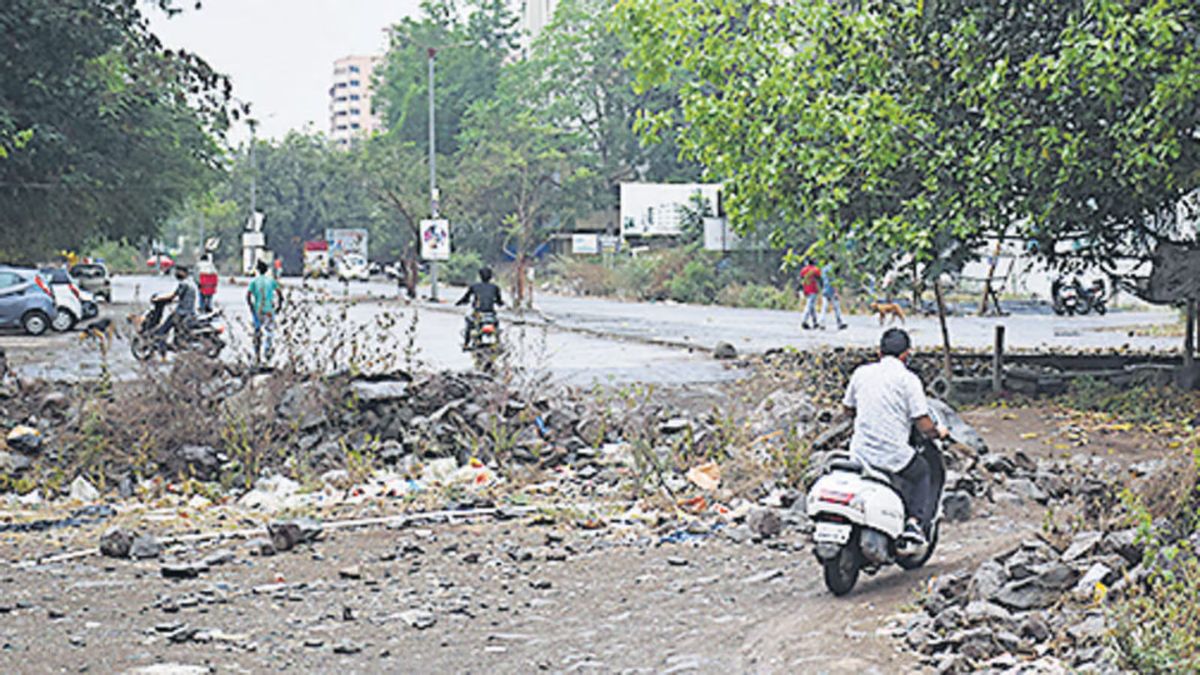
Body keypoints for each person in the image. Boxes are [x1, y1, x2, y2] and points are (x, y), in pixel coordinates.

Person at [842, 328, 949, 548]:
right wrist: (938, 432)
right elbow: (922, 420)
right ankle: (913, 523)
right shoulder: (908, 380)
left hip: (860, 452)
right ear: (906, 355)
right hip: (892, 456)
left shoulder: (861, 373)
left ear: (879, 352)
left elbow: (847, 409)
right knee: (922, 472)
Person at [456, 267, 504, 349]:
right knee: (497, 325)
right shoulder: (495, 288)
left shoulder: (474, 286)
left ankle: (466, 344)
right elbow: (499, 301)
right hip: (490, 313)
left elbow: (465, 298)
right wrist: (500, 303)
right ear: (491, 277)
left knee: (468, 322)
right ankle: (498, 342)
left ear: (480, 276)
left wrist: (459, 302)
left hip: (478, 313)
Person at [247, 260, 284, 365]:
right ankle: (267, 353)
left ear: (258, 270)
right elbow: (280, 295)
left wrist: (251, 308)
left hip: (258, 310)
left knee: (257, 331)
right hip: (269, 310)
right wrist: (278, 307)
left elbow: (248, 296)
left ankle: (257, 354)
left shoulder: (254, 282)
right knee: (269, 331)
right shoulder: (271, 281)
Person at [154, 265, 198, 347]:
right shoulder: (191, 283)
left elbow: (173, 296)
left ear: (185, 273)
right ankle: (176, 344)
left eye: (179, 271)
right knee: (177, 329)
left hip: (182, 312)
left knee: (164, 329)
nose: (177, 273)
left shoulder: (183, 284)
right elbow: (183, 298)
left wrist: (159, 299)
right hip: (190, 312)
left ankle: (161, 348)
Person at [799, 259, 822, 330]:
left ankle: (815, 322)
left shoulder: (803, 270)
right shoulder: (816, 270)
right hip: (813, 289)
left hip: (806, 289)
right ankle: (804, 321)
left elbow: (801, 278)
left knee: (811, 306)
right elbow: (819, 278)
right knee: (809, 306)